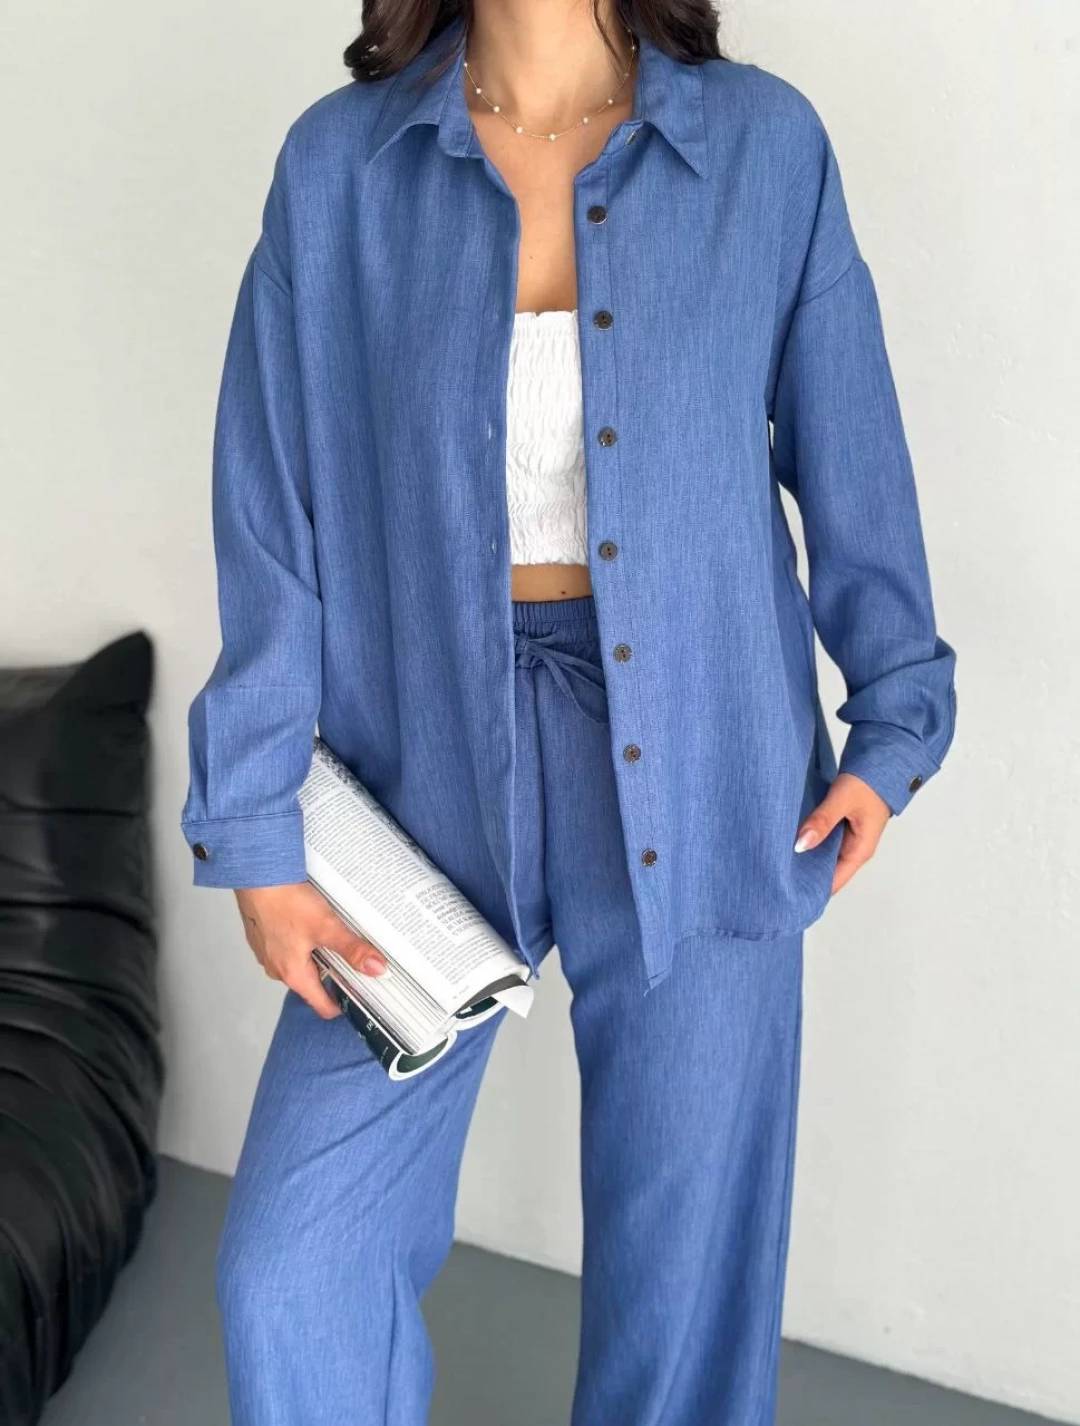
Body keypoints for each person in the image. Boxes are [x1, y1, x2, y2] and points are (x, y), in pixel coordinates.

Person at [180, 2, 957, 1421]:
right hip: (415, 770)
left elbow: (854, 455)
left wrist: (894, 722)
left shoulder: (764, 151)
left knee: (685, 1303)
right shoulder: (338, 168)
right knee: (293, 1268)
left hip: (710, 758)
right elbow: (273, 521)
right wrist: (253, 828)